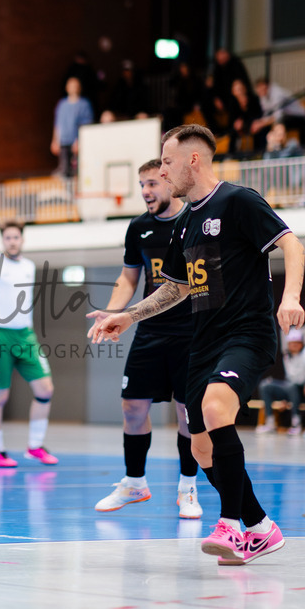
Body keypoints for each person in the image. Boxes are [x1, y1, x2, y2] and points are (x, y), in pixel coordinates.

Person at [88, 124, 305, 567]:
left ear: (193, 159)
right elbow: (176, 288)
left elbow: (292, 245)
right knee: (201, 447)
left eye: (167, 162)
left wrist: (290, 298)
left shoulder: (238, 200)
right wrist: (128, 316)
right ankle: (260, 527)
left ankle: (229, 526)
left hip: (246, 333)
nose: (161, 172)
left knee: (214, 407)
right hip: (203, 341)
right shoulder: (185, 221)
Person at [91, 159, 202, 519]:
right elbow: (128, 278)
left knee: (187, 413)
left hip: (190, 332)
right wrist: (113, 312)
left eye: (152, 183)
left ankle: (187, 487)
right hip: (150, 331)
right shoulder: (138, 227)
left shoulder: (194, 222)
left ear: (169, 182)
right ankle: (134, 482)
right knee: (133, 406)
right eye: (141, 185)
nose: (145, 191)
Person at [0, 219, 58, 468]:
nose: (12, 242)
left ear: (22, 239)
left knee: (45, 389)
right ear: (3, 240)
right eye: (8, 238)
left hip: (25, 336)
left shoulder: (28, 266)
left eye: (16, 237)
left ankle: (35, 447)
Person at [255, 328, 305, 435]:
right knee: (265, 385)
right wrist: (285, 397)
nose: (294, 345)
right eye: (292, 343)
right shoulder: (287, 356)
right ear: (288, 344)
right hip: (291, 389)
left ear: (301, 343)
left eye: (297, 343)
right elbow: (289, 378)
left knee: (292, 386)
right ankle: (270, 422)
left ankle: (296, 423)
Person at [51, 77, 94, 179]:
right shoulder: (62, 105)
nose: (73, 88)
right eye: (71, 86)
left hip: (76, 143)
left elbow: (86, 125)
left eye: (75, 86)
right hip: (64, 142)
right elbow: (57, 124)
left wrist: (79, 140)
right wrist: (55, 140)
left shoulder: (84, 104)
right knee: (64, 171)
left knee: (78, 171)